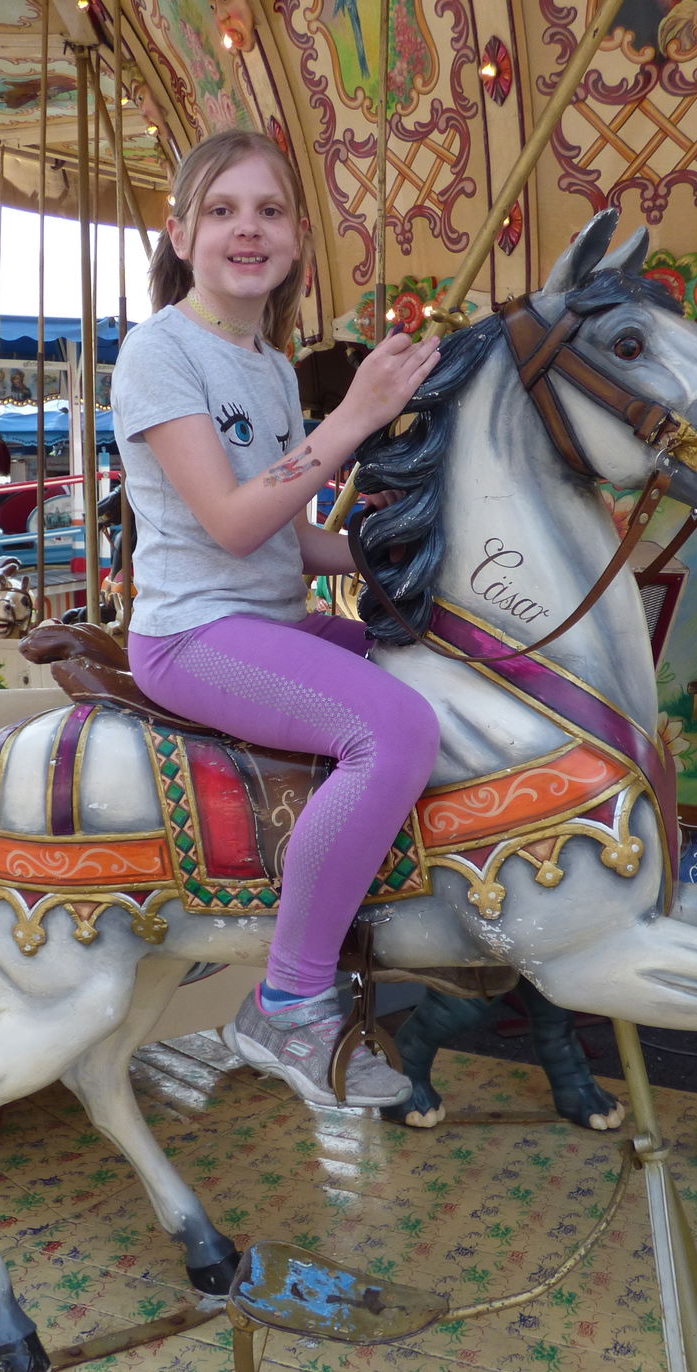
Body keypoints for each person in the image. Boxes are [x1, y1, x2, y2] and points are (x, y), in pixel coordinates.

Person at [112, 128, 443, 1109]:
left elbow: (289, 538)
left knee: (435, 662)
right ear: (180, 234)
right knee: (394, 728)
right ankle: (290, 1001)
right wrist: (355, 418)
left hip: (274, 620)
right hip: (191, 634)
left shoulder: (267, 365)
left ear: (298, 237)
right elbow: (230, 522)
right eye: (221, 211)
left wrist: (387, 550)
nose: (246, 230)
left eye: (267, 211)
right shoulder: (159, 353)